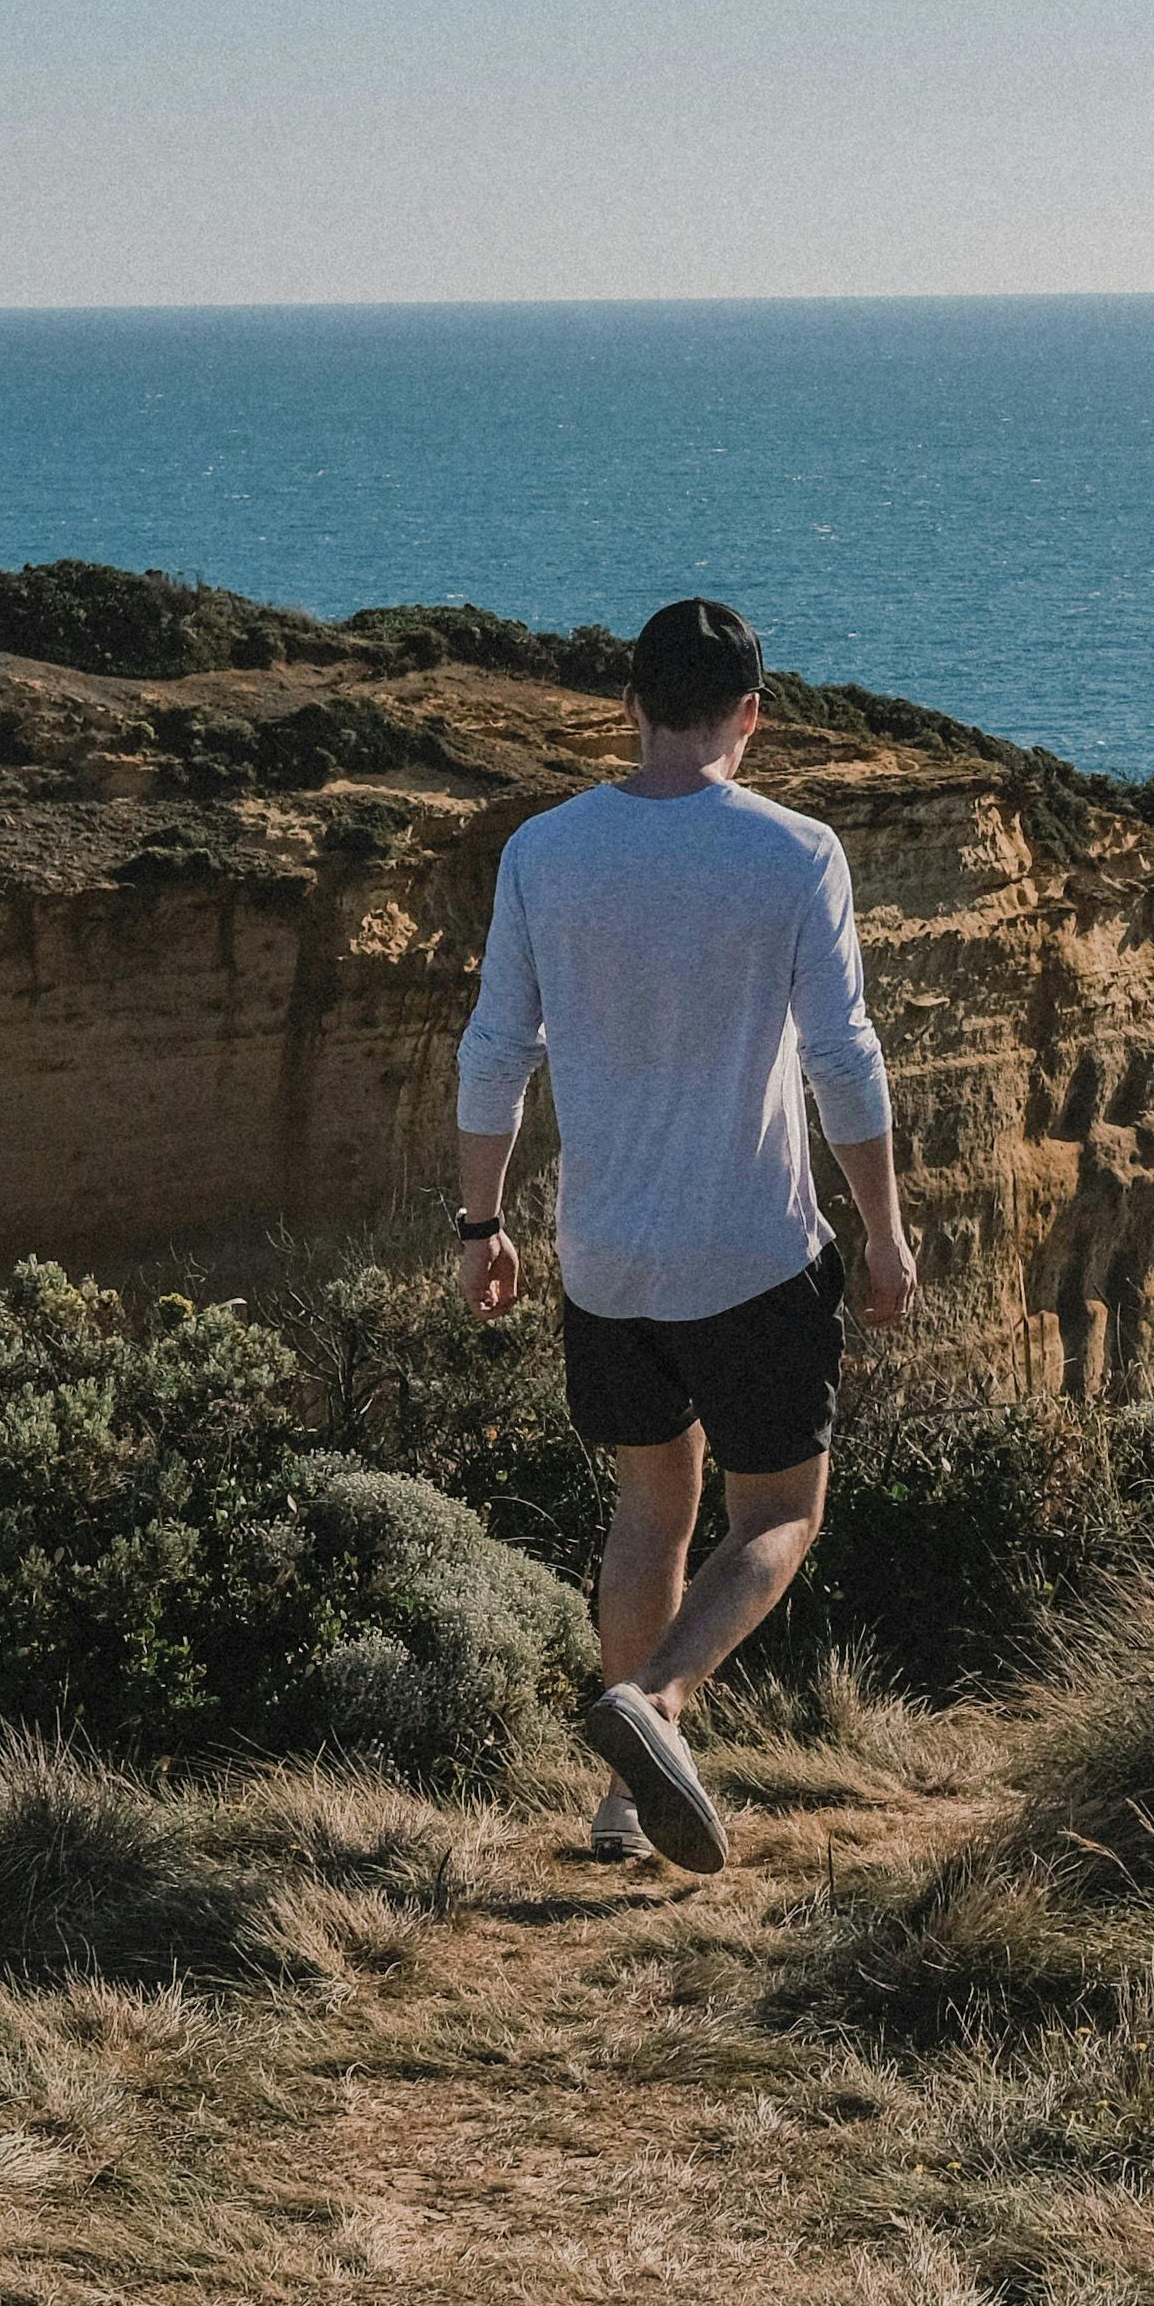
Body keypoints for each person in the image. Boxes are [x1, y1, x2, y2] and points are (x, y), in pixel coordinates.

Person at [451, 594, 919, 1873]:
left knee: (651, 1502)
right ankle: (656, 1704)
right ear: (750, 717)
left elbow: (498, 1050)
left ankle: (618, 1803)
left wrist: (479, 1220)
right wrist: (883, 1229)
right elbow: (841, 1055)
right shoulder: (793, 852)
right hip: (751, 1252)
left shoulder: (545, 850)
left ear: (630, 710)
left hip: (604, 1261)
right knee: (779, 1510)